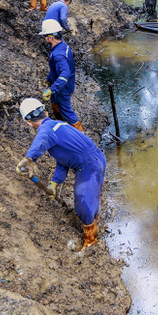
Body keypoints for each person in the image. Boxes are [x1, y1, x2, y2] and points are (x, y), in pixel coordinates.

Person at [16, 98, 106, 251]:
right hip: (97, 160)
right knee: (88, 199)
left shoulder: (47, 130)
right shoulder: (60, 125)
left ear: (29, 123)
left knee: (83, 202)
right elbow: (63, 159)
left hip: (89, 165)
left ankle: (91, 241)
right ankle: (89, 218)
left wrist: (29, 159)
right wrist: (55, 182)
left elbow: (42, 139)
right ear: (45, 112)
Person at [40, 19, 83, 131]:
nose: (44, 39)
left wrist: (52, 89)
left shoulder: (58, 54)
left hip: (63, 87)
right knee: (54, 101)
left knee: (66, 110)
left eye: (45, 36)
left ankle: (80, 134)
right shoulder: (61, 46)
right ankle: (60, 121)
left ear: (51, 37)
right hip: (59, 84)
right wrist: (49, 78)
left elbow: (65, 73)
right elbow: (56, 69)